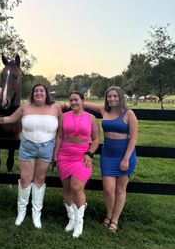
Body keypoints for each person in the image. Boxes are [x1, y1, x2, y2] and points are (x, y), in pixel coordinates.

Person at [0, 84, 62, 229]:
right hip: (27, 148)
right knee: (25, 179)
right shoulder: (24, 108)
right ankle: (21, 213)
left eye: (42, 91)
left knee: (39, 180)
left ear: (46, 93)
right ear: (32, 94)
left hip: (46, 149)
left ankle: (36, 214)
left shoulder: (56, 108)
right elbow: (8, 119)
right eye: (36, 91)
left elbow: (60, 133)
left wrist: (56, 152)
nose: (39, 93)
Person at [81, 86, 138, 233]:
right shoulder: (103, 110)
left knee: (120, 189)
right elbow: (84, 104)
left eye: (115, 96)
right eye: (109, 96)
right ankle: (108, 214)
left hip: (124, 156)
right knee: (108, 189)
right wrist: (69, 103)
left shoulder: (129, 114)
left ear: (120, 97)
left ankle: (115, 219)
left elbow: (134, 138)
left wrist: (126, 159)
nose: (112, 99)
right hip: (107, 156)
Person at [57, 91, 99, 238]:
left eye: (76, 100)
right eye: (71, 100)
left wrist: (90, 153)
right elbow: (60, 136)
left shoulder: (91, 118)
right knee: (67, 189)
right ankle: (72, 219)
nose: (74, 102)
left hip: (81, 157)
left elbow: (95, 139)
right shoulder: (64, 116)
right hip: (64, 155)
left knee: (76, 187)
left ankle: (79, 222)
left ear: (82, 101)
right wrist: (56, 155)